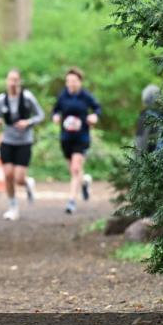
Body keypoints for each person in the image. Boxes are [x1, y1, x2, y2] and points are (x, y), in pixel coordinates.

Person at [0, 69, 44, 220]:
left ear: (19, 81)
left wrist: (28, 122)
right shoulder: (1, 100)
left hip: (24, 141)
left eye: (15, 80)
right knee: (7, 175)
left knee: (19, 178)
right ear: (6, 82)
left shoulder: (27, 98)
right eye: (10, 80)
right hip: (7, 141)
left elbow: (40, 115)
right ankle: (12, 207)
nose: (12, 83)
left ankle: (27, 183)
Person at [51, 67, 101, 215]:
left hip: (82, 137)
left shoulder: (86, 96)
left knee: (75, 169)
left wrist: (94, 117)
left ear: (80, 82)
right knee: (75, 171)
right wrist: (55, 116)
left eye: (73, 81)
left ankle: (71, 202)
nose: (70, 84)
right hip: (66, 138)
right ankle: (85, 182)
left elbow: (97, 108)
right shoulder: (63, 96)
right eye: (68, 81)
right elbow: (55, 110)